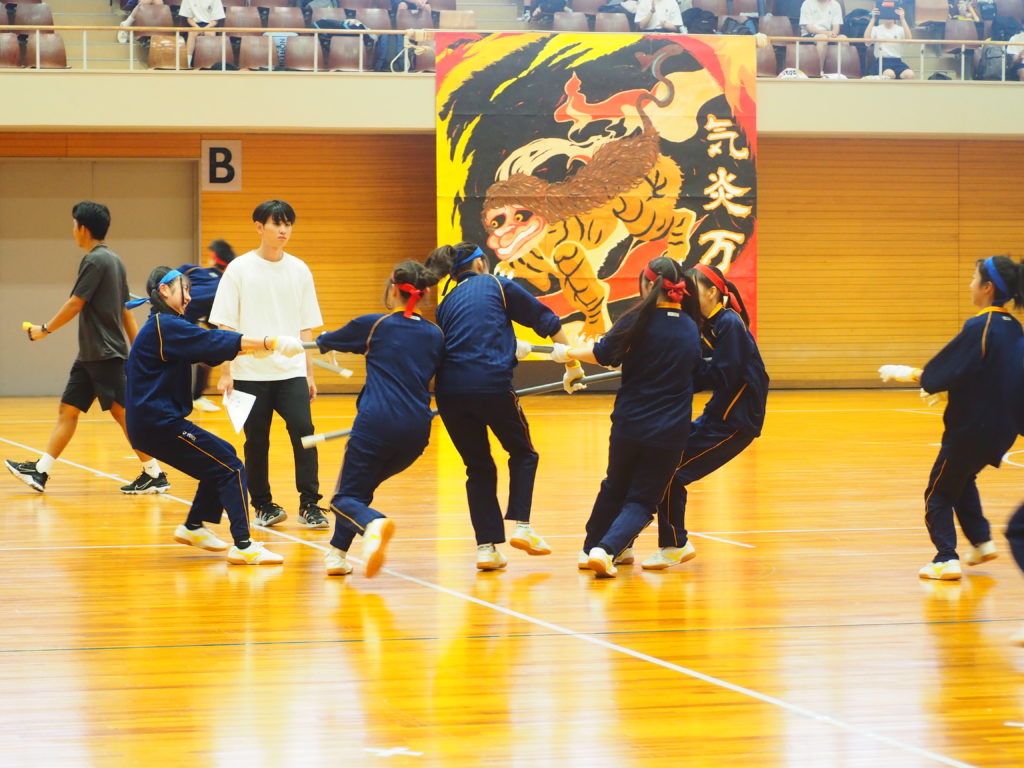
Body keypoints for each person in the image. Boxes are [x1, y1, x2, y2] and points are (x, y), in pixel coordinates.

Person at [424, 241, 582, 571]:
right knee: (523, 454)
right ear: (480, 264)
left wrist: (509, 344)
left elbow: (465, 339)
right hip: (491, 384)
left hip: (450, 393)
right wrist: (572, 364)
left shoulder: (446, 302)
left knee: (478, 467)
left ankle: (486, 548)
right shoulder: (496, 283)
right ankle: (522, 526)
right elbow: (547, 321)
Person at [125, 266, 296, 565]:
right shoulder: (165, 326)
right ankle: (243, 545)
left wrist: (252, 349)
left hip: (153, 423)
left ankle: (194, 527)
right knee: (231, 468)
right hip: (158, 424)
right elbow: (212, 342)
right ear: (164, 290)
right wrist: (269, 342)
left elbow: (208, 351)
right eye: (185, 289)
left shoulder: (165, 327)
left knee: (220, 459)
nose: (190, 297)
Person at [550, 257, 701, 578]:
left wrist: (568, 353)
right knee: (643, 501)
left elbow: (603, 353)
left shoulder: (637, 319)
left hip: (629, 423)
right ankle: (607, 550)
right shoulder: (691, 326)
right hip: (669, 431)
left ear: (647, 284)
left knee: (614, 485)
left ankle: (591, 549)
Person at [5, 201, 169, 496]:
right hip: (91, 356)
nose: (73, 230)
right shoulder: (115, 261)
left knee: (123, 415)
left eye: (74, 225)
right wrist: (137, 350)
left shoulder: (95, 261)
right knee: (68, 410)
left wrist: (44, 329)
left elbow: (75, 303)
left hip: (103, 354)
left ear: (82, 228)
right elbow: (125, 311)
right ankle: (41, 471)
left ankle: (154, 474)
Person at [880, 256, 1024, 580]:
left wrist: (910, 374)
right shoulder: (1014, 328)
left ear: (987, 288)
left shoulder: (980, 326)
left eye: (974, 278)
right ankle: (982, 542)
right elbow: (993, 374)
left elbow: (945, 369)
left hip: (971, 430)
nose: (970, 284)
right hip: (1002, 430)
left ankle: (945, 558)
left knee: (938, 493)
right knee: (961, 478)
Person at [314, 262, 444, 578]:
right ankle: (337, 555)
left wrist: (322, 339)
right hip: (417, 433)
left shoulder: (374, 325)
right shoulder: (436, 334)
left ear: (393, 289)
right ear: (424, 294)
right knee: (360, 489)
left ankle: (373, 523)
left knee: (344, 499)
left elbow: (330, 340)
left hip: (376, 425)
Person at [208, 200, 329, 530]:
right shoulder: (239, 269)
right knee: (256, 441)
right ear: (259, 227)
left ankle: (310, 504)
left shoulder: (300, 270)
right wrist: (226, 372)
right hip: (249, 373)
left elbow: (306, 327)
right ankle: (262, 505)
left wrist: (309, 373)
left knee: (304, 432)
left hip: (291, 373)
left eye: (288, 224)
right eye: (277, 223)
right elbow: (225, 326)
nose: (284, 230)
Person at [643, 263, 768, 569]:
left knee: (672, 473)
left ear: (712, 292)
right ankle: (626, 539)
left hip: (737, 422)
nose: (685, 294)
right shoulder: (705, 324)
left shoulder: (729, 323)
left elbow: (724, 374)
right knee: (660, 461)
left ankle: (675, 545)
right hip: (717, 415)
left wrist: (677, 374)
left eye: (692, 289)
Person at [178, 238, 235, 413]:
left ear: (212, 259)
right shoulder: (224, 284)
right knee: (207, 354)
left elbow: (162, 280)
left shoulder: (191, 269)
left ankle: (195, 396)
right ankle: (195, 397)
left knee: (205, 354)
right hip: (180, 328)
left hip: (163, 321)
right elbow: (214, 320)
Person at [865, 6, 915, 79]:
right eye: (886, 13)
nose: (888, 16)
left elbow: (909, 40)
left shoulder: (900, 29)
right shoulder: (876, 29)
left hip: (897, 61)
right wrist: (873, 19)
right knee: (889, 74)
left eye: (891, 13)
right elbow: (867, 41)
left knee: (909, 74)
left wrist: (902, 19)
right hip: (881, 61)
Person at [798, 0, 846, 70]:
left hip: (829, 35)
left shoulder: (835, 4)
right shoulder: (807, 3)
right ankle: (819, 71)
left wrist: (833, 33)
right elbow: (809, 28)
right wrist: (826, 33)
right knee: (822, 38)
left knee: (843, 39)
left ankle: (840, 72)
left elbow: (836, 28)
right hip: (809, 35)